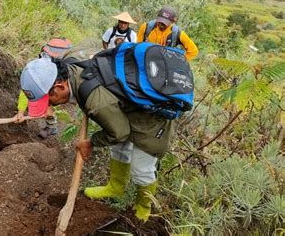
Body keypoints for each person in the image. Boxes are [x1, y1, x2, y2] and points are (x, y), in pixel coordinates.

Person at [20, 51, 180, 222]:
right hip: (128, 111)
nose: (49, 106)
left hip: (153, 121)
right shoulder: (70, 67)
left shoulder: (95, 102)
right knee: (118, 149)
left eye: (49, 101)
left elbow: (119, 132)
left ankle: (143, 209)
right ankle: (115, 188)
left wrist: (91, 142)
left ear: (60, 87)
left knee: (141, 169)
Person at [15, 38, 72, 139]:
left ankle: (51, 126)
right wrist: (20, 111)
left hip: (61, 91)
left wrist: (49, 107)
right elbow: (26, 90)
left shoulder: (69, 70)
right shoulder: (39, 68)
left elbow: (59, 96)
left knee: (50, 103)